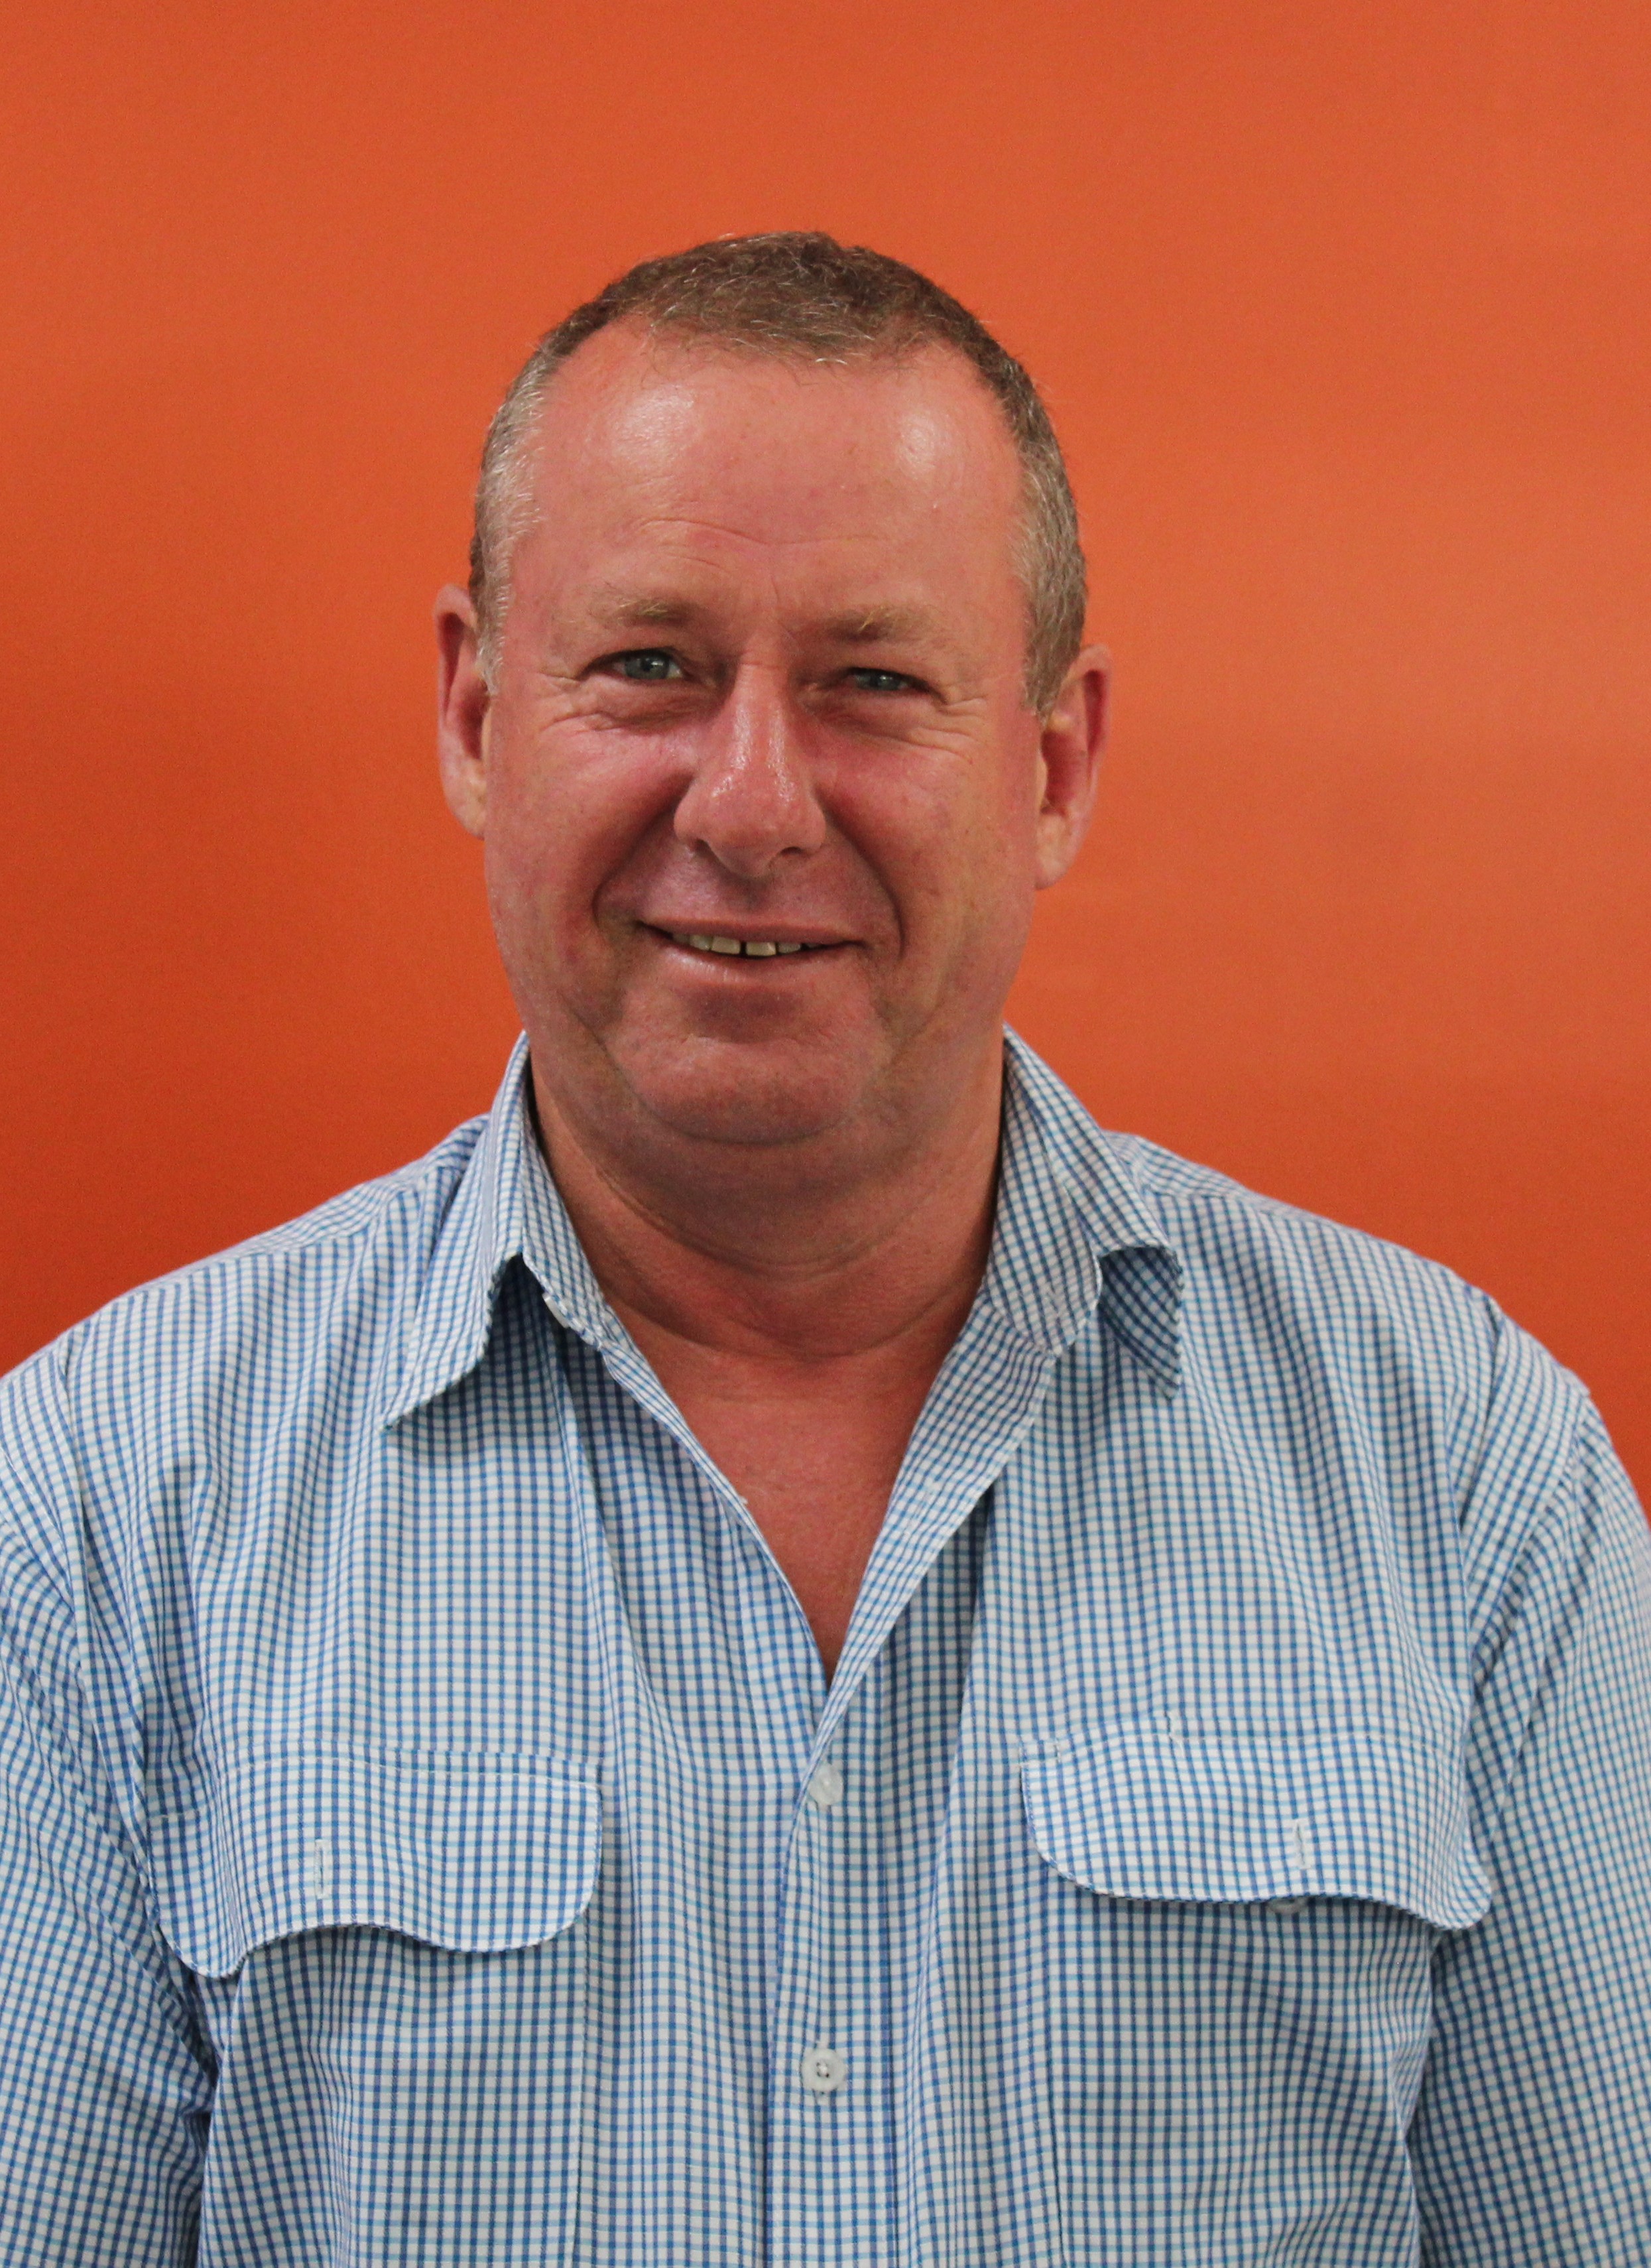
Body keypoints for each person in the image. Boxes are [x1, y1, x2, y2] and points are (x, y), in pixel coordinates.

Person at [0, 232, 1646, 2267]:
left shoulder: (1460, 1473)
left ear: (1051, 764)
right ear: (475, 714)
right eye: (650, 666)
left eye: (871, 681)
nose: (753, 802)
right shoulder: (104, 1505)